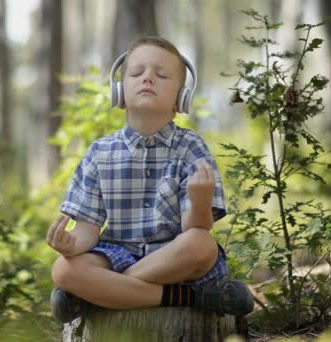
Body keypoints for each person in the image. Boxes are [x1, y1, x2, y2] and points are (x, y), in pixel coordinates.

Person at [46, 36, 253, 323]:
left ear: (182, 97)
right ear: (119, 90)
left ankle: (105, 294)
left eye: (162, 74)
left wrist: (201, 202)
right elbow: (87, 232)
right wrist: (70, 244)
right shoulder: (100, 152)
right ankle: (190, 297)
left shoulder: (191, 147)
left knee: (201, 244)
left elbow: (196, 227)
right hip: (115, 253)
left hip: (171, 256)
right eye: (137, 73)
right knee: (63, 269)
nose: (148, 79)